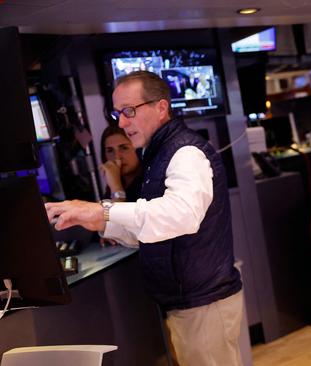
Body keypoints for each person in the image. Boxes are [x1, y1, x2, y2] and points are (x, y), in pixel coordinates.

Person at [45, 71, 243, 366]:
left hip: (204, 301)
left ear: (161, 108)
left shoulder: (185, 152)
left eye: (129, 111)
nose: (122, 123)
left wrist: (103, 210)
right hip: (187, 302)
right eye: (117, 113)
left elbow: (182, 216)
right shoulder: (158, 153)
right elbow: (153, 228)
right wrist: (98, 222)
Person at [99, 124, 143, 203]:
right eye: (110, 150)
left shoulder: (149, 183)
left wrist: (116, 188)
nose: (117, 157)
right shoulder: (110, 188)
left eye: (124, 148)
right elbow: (106, 214)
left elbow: (120, 214)